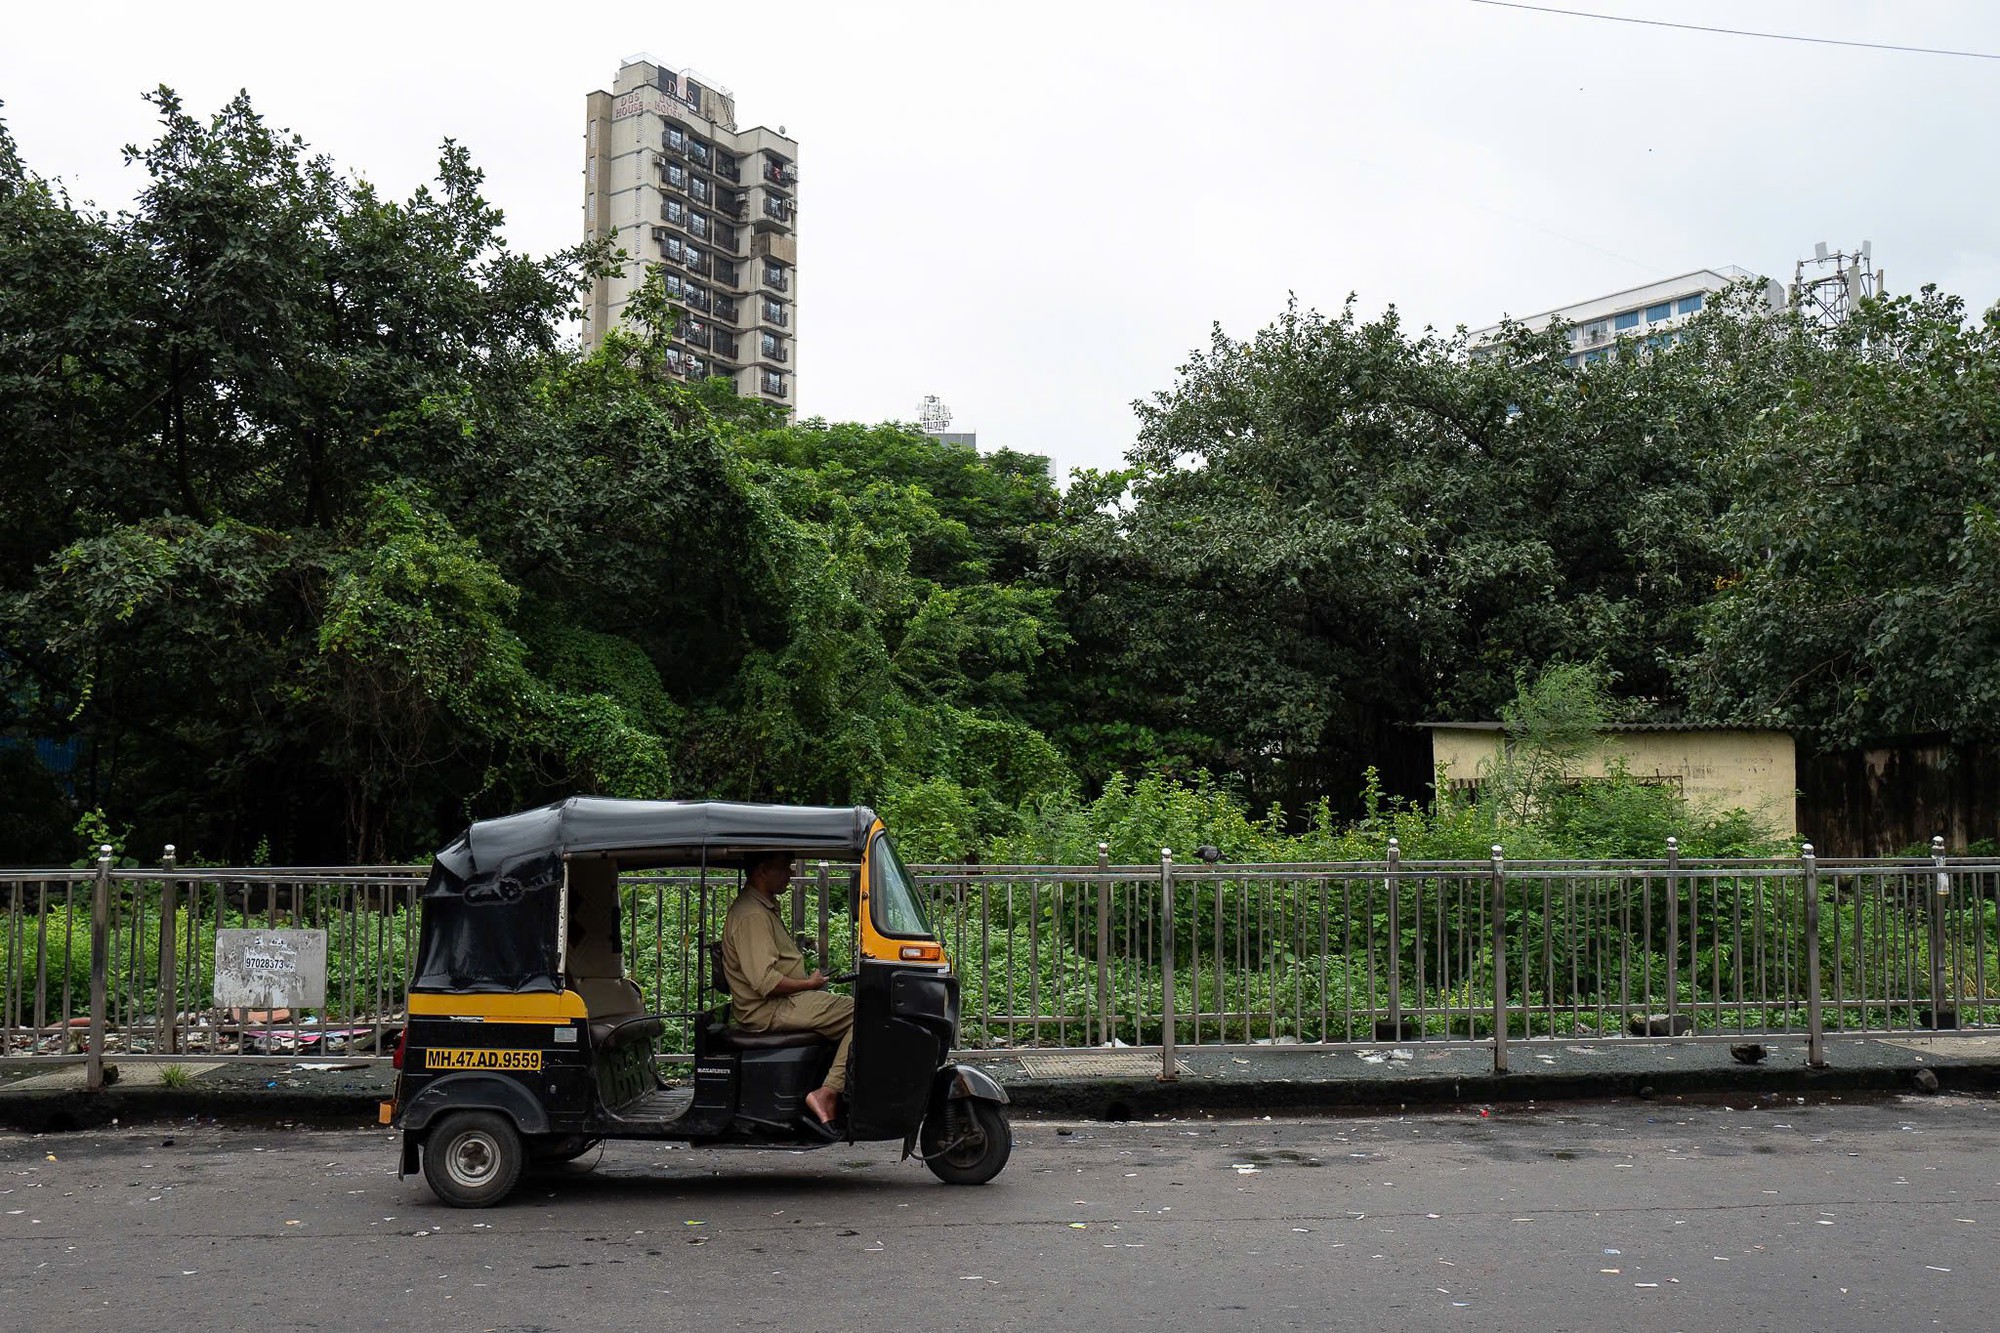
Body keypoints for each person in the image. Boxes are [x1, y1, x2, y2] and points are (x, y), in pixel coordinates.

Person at [720, 850, 853, 1125]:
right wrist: (810, 983)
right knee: (863, 1014)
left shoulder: (762, 907)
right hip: (769, 1009)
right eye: (783, 868)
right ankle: (828, 1092)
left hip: (782, 1003)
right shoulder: (752, 915)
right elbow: (765, 982)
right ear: (761, 871)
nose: (790, 874)